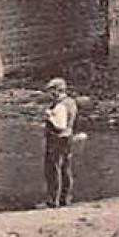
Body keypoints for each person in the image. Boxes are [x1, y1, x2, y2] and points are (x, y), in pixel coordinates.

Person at [42, 78, 79, 208]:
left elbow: (60, 125)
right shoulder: (71, 102)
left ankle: (53, 201)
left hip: (56, 139)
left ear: (57, 91)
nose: (49, 94)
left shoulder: (60, 105)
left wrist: (49, 116)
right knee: (66, 168)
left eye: (51, 91)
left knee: (53, 170)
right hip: (68, 139)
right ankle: (65, 199)